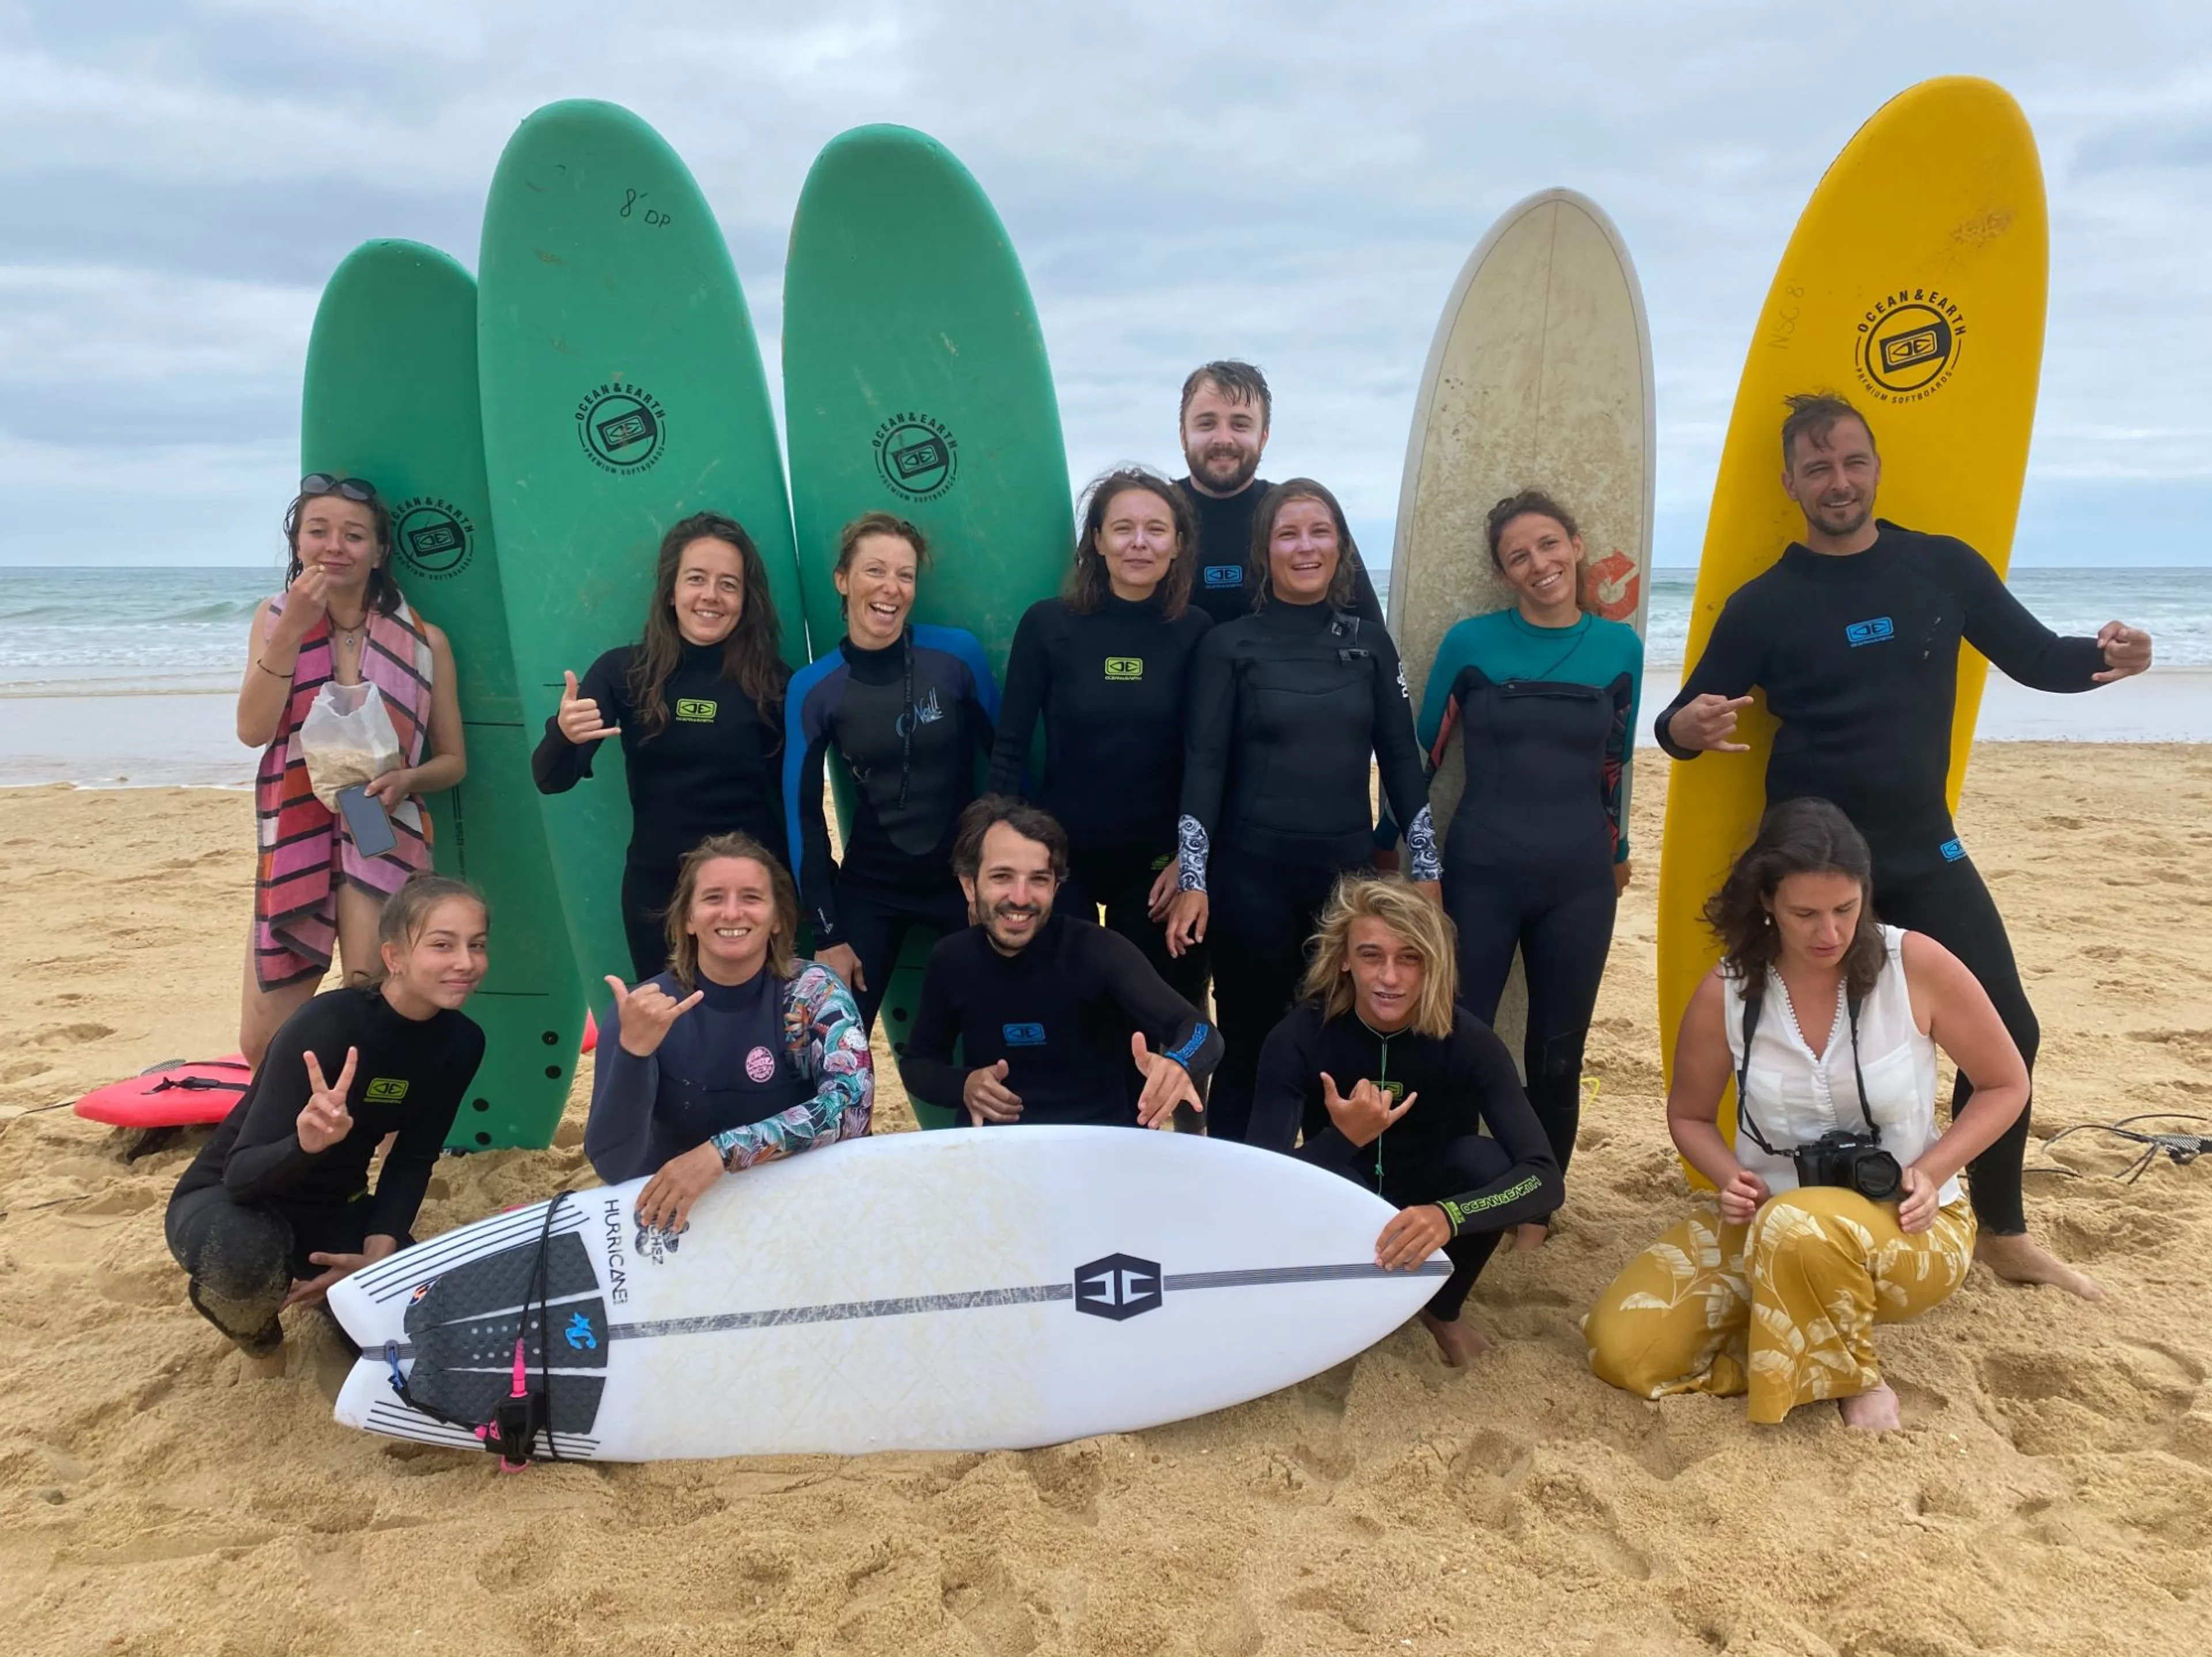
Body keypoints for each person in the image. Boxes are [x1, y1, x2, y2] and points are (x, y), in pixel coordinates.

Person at [1652, 392, 2153, 1300]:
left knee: (2015, 1034)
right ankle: (1775, 1194)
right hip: (1811, 874)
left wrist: (2118, 655)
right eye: (1817, 468)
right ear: (1790, 483)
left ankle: (2000, 1230)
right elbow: (1681, 723)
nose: (1837, 482)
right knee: (1793, 1044)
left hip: (1925, 850)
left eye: (1851, 462)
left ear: (1876, 466)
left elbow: (2041, 657)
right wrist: (1685, 724)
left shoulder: (1943, 569)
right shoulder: (1765, 603)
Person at [1585, 799, 2029, 1431]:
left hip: (1907, 1227)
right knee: (1622, 1348)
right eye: (1805, 913)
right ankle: (1781, 1352)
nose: (1830, 933)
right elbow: (1688, 1115)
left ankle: (1852, 1374)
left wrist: (1932, 1170)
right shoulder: (1729, 989)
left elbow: (2005, 1083)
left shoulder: (1917, 964)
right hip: (1767, 1220)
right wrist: (1727, 1175)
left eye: (1846, 909)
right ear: (1767, 900)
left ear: (1865, 893)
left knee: (1800, 1227)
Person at [1168, 479, 1437, 1143]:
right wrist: (1194, 879)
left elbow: (1402, 761)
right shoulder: (1229, 645)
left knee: (1338, 1035)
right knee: (1252, 1035)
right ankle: (1237, 1174)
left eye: (1319, 532)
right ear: (1265, 551)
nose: (1305, 546)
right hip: (1250, 877)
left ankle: (1326, 1180)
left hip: (1343, 884)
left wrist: (1425, 863)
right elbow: (1204, 766)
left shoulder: (1370, 645)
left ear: (1341, 545)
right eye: (1288, 534)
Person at [1417, 489, 1642, 1245]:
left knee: (1557, 1051)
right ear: (1504, 573)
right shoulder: (1472, 642)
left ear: (1577, 545)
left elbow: (1618, 763)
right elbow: (1424, 753)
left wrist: (1618, 851)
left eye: (1550, 545)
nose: (1539, 564)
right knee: (1459, 1039)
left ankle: (1538, 1204)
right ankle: (1444, 1190)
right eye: (1520, 556)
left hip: (1579, 880)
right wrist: (1395, 846)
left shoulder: (1621, 649)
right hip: (1481, 873)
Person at [168, 876, 490, 1375]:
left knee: (422, 1315)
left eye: (477, 946)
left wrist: (377, 1253)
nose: (465, 963)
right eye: (442, 945)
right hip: (230, 1202)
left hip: (333, 1209)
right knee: (244, 1258)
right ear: (394, 956)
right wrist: (305, 1144)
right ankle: (261, 1341)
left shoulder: (463, 1043)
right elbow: (241, 1175)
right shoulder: (328, 1024)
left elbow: (413, 1156)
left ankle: (320, 1285)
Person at [1248, 875, 1562, 1366]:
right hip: (1343, 1210)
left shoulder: (1467, 1041)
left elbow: (1544, 1178)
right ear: (1345, 959)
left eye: (1408, 958)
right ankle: (1339, 1312)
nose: (1389, 978)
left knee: (1481, 1161)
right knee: (1327, 1180)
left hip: (1428, 1215)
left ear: (1430, 965)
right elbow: (1255, 1184)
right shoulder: (1300, 1037)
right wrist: (1343, 1138)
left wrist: (1449, 1216)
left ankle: (1443, 1308)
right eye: (1372, 955)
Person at [236, 475, 466, 1066]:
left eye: (354, 535)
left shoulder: (423, 642)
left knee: (373, 993)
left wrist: (407, 780)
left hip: (375, 814)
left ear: (379, 551)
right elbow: (253, 730)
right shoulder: (274, 618)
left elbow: (452, 761)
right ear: (298, 543)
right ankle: (290, 1138)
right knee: (265, 1038)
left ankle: (370, 1135)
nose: (334, 546)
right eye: (319, 531)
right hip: (297, 814)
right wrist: (289, 632)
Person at [532, 512, 792, 979]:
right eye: (697, 579)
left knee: (754, 1037)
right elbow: (550, 779)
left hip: (750, 896)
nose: (711, 596)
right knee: (668, 1036)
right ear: (671, 592)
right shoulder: (623, 673)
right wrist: (563, 734)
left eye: (728, 584)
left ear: (745, 599)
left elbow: (798, 806)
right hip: (659, 893)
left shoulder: (775, 683)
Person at [986, 467, 1212, 1004]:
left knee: (1164, 1014)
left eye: (1156, 529)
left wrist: (1191, 859)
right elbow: (1010, 747)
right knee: (1064, 1010)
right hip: (1064, 855)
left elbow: (1207, 757)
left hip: (1157, 861)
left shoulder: (1197, 632)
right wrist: (990, 855)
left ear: (1178, 544)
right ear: (1097, 540)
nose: (1139, 542)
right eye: (1123, 528)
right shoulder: (1048, 625)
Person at [585, 833, 872, 1237]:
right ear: (688, 918)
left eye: (752, 898)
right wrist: (634, 1053)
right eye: (713, 898)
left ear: (777, 918)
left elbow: (851, 1108)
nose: (733, 913)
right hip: (686, 1221)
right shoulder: (646, 1010)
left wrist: (723, 1152)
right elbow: (614, 1165)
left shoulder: (812, 993)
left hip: (803, 1211)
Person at [784, 512, 1000, 1035]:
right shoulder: (815, 688)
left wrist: (992, 879)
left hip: (963, 881)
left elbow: (1007, 767)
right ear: (843, 580)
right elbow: (803, 818)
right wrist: (829, 933)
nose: (891, 588)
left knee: (1003, 1031)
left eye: (905, 575)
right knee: (828, 1037)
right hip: (872, 888)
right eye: (875, 571)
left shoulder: (956, 657)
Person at [900, 797, 1221, 1128]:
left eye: (1038, 879)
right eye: (1002, 877)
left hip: (1094, 1146)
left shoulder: (1098, 952)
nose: (1021, 898)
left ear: (1056, 887)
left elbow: (1199, 1031)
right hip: (993, 1148)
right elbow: (918, 1065)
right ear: (969, 885)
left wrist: (1179, 1062)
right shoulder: (952, 960)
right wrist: (963, 1086)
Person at [1173, 361, 1384, 627]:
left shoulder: (1297, 518)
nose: (1223, 439)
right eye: (1207, 424)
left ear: (1263, 437)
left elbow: (1370, 632)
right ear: (1183, 435)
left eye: (1240, 424)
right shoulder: (1152, 522)